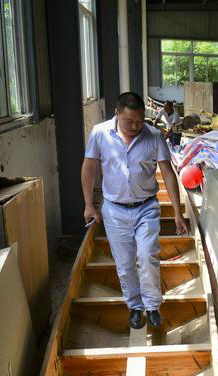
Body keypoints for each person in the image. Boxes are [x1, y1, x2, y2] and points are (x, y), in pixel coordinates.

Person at [81, 92, 187, 330]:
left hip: (146, 208)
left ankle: (152, 306)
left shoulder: (153, 136)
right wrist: (89, 205)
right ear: (117, 114)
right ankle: (135, 307)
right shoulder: (100, 133)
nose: (136, 126)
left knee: (148, 255)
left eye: (140, 121)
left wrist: (178, 212)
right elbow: (88, 168)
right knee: (125, 263)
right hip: (114, 211)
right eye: (130, 122)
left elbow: (168, 173)